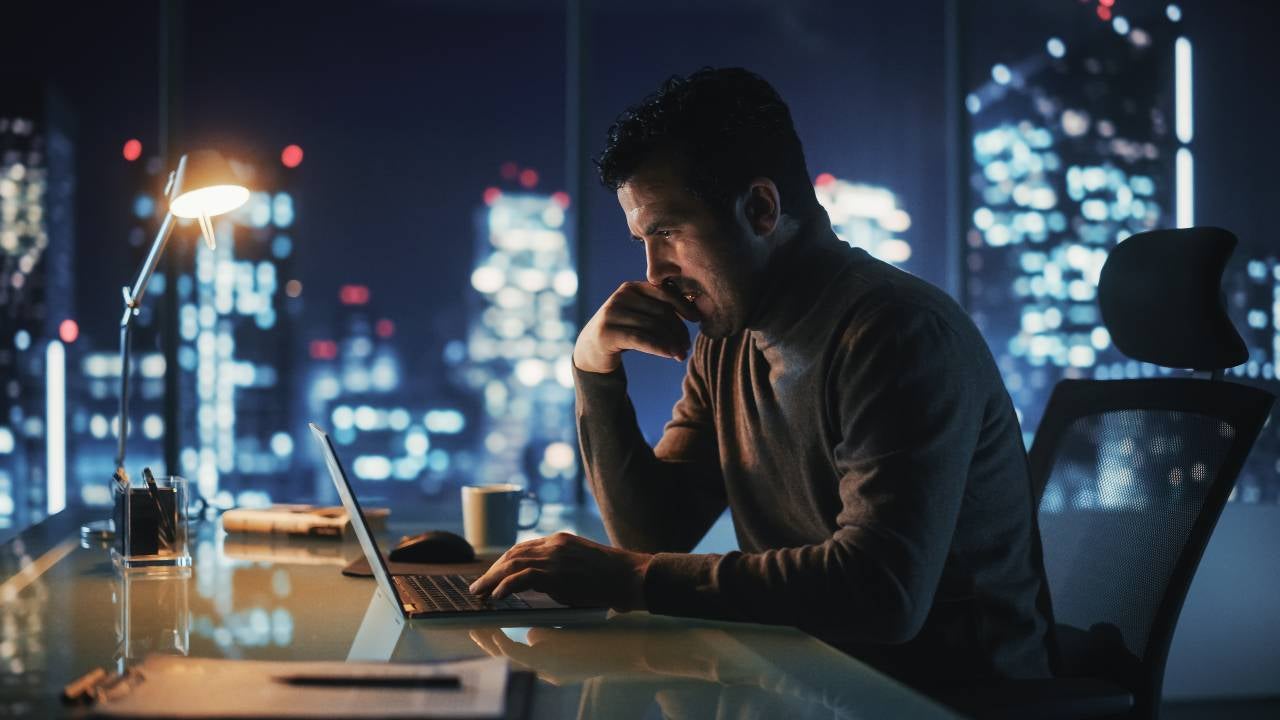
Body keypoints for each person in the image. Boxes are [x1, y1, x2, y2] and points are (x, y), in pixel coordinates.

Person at [470, 67, 1053, 688]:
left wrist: (633, 579)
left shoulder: (897, 334)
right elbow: (653, 530)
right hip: (804, 678)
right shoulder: (729, 341)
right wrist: (592, 368)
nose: (652, 270)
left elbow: (882, 593)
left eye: (667, 233)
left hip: (936, 697)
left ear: (761, 208)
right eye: (643, 239)